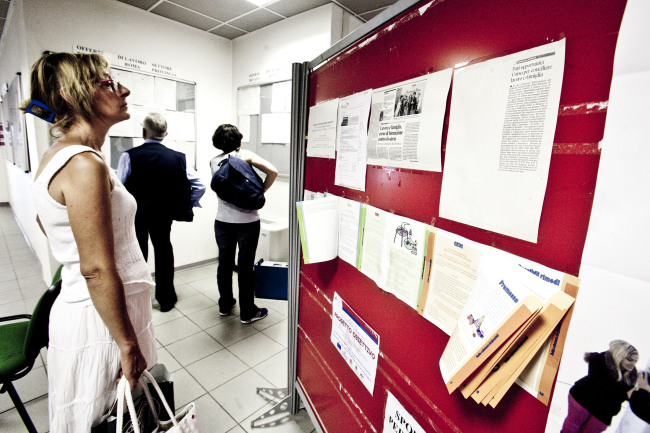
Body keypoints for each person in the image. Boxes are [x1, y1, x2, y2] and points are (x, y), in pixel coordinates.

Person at [25, 52, 157, 431]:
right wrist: (127, 343)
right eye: (107, 83)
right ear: (71, 94)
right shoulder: (83, 163)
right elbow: (96, 268)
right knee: (108, 420)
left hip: (101, 310)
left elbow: (47, 222)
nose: (123, 89)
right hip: (102, 321)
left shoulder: (62, 156)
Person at [117, 112, 206, 312]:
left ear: (143, 132)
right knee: (164, 250)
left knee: (138, 253)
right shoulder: (178, 157)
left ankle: (138, 300)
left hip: (137, 214)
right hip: (164, 214)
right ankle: (166, 299)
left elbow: (119, 189)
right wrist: (187, 202)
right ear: (166, 133)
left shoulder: (128, 156)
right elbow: (200, 185)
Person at [209, 124, 277, 323]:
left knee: (225, 263)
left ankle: (226, 304)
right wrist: (261, 191)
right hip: (247, 221)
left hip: (222, 221)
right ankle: (248, 312)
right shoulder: (245, 155)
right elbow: (272, 171)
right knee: (245, 266)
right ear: (238, 140)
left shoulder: (213, 161)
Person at [562, 340, 639, 433]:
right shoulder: (600, 363)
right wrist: (625, 394)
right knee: (571, 428)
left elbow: (621, 396)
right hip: (583, 399)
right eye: (630, 359)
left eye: (635, 361)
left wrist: (633, 395)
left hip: (603, 412)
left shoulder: (630, 377)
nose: (633, 364)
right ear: (619, 356)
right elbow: (604, 388)